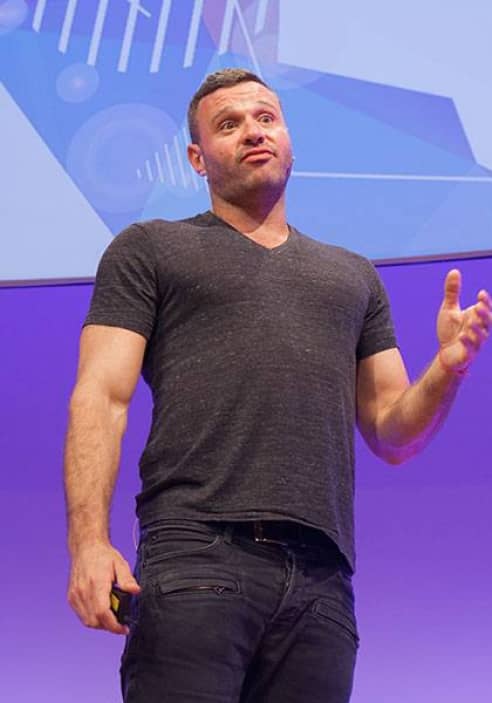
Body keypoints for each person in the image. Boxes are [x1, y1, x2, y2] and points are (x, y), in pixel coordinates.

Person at [64, 68, 491, 703]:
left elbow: (394, 432)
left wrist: (446, 370)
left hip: (322, 580)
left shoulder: (353, 276)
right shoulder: (150, 248)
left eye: (266, 118)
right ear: (197, 158)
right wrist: (89, 544)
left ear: (289, 138)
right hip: (197, 555)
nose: (253, 132)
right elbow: (102, 396)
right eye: (228, 124)